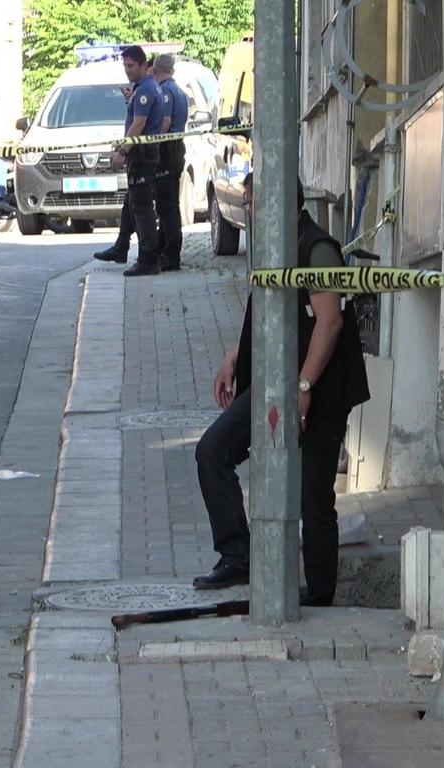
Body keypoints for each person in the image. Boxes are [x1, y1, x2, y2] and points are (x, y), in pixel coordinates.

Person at [192, 175, 371, 607]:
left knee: (314, 495)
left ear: (279, 203)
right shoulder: (274, 247)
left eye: (253, 201)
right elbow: (274, 315)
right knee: (212, 451)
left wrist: (304, 386)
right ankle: (238, 556)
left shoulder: (317, 247)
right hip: (274, 384)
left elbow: (329, 322)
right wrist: (235, 355)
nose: (249, 211)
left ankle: (320, 594)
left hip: (322, 390)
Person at [110, 47, 164, 277]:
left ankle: (148, 260)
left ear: (143, 65)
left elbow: (139, 124)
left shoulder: (146, 90)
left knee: (142, 210)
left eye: (131, 66)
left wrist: (123, 151)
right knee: (134, 205)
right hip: (142, 155)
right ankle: (124, 248)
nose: (127, 70)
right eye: (124, 66)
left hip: (143, 156)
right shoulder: (143, 88)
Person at [154, 54, 189, 272]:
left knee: (166, 207)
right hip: (176, 149)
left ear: (155, 70)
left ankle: (170, 254)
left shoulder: (165, 91)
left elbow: (165, 121)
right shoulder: (180, 91)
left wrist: (153, 142)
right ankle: (164, 250)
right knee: (169, 205)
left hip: (167, 150)